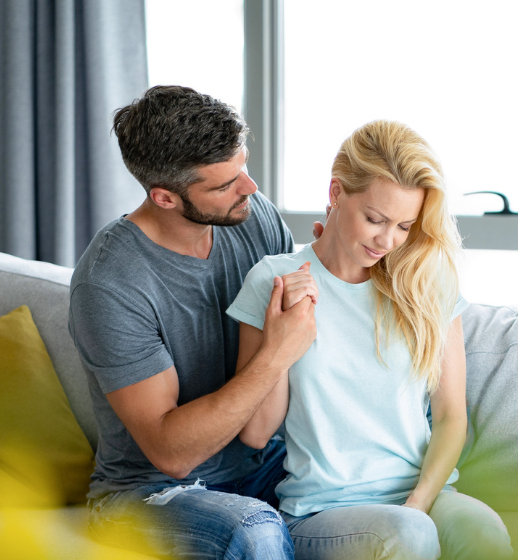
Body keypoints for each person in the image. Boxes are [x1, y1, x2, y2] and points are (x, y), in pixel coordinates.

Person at [227, 120, 514, 560]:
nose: (387, 240)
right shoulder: (274, 279)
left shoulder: (426, 280)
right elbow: (256, 432)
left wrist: (418, 503)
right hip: (323, 510)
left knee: (483, 531)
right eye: (375, 219)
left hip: (422, 497)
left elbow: (451, 417)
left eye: (404, 225)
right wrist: (283, 334)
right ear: (336, 193)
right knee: (407, 535)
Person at [69, 85, 318, 559]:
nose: (250, 188)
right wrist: (276, 354)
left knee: (372, 487)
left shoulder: (253, 216)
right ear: (164, 197)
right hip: (150, 491)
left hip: (264, 462)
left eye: (243, 167)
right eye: (224, 185)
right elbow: (172, 454)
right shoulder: (109, 283)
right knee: (252, 528)